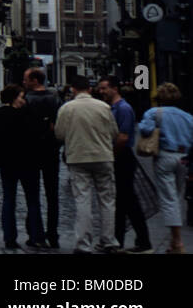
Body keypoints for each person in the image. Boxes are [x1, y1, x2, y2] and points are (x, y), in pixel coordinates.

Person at [55, 74, 120, 254]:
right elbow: (114, 132)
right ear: (90, 89)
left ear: (73, 90)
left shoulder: (67, 108)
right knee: (107, 200)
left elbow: (59, 134)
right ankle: (108, 240)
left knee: (83, 200)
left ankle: (83, 244)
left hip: (78, 158)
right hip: (103, 156)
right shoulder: (104, 107)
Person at [0, 84, 47, 250]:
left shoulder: (0, 114)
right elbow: (39, 134)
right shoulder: (29, 113)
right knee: (32, 200)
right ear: (14, 98)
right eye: (21, 97)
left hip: (8, 164)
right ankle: (36, 236)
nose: (24, 100)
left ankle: (10, 238)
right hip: (28, 163)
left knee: (9, 199)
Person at [136, 82, 193, 254]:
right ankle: (172, 244)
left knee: (169, 200)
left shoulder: (155, 113)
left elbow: (145, 130)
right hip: (184, 158)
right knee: (176, 196)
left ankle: (178, 242)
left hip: (165, 156)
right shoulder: (188, 117)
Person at [98, 76, 152, 253]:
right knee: (121, 202)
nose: (101, 91)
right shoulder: (113, 108)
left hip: (122, 157)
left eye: (104, 88)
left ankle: (143, 242)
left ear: (115, 88)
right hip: (118, 156)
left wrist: (109, 156)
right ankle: (117, 240)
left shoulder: (123, 109)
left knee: (129, 201)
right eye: (101, 88)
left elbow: (123, 138)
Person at [23, 67, 63, 248]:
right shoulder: (54, 99)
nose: (24, 82)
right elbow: (59, 126)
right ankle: (53, 234)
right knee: (52, 194)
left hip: (30, 151)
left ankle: (34, 233)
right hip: (50, 151)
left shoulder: (26, 100)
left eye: (26, 79)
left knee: (32, 194)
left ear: (35, 81)